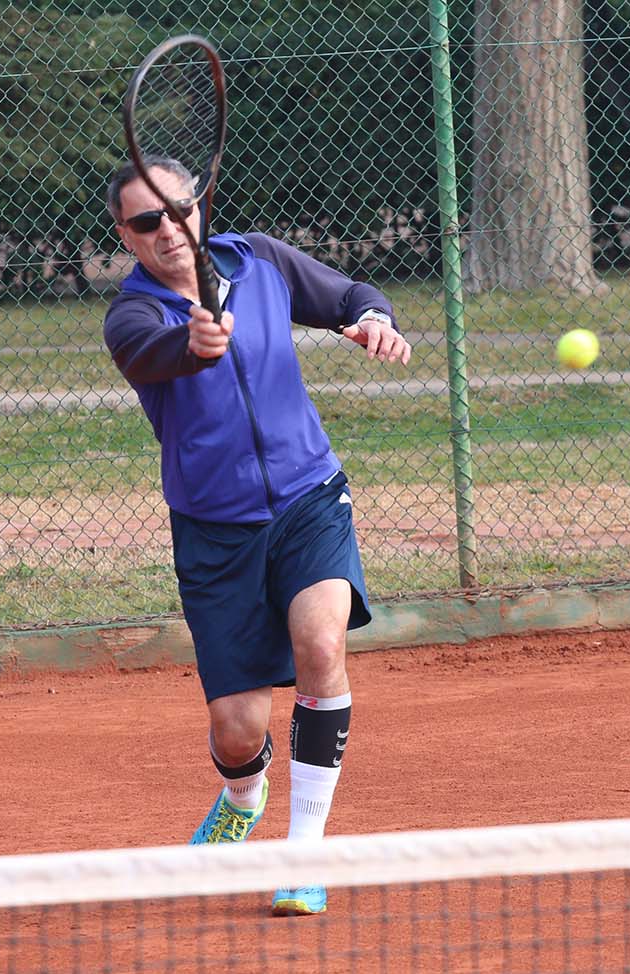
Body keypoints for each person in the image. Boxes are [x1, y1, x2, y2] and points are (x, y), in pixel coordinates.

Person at [102, 156, 411, 916]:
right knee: (238, 729)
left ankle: (304, 851)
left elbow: (348, 294)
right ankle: (243, 794)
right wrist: (196, 344)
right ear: (125, 236)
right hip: (216, 534)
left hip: (310, 497)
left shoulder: (261, 261)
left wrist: (372, 319)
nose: (169, 230)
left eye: (179, 209)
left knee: (321, 647)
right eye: (147, 221)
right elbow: (159, 354)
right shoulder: (132, 316)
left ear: (200, 203)